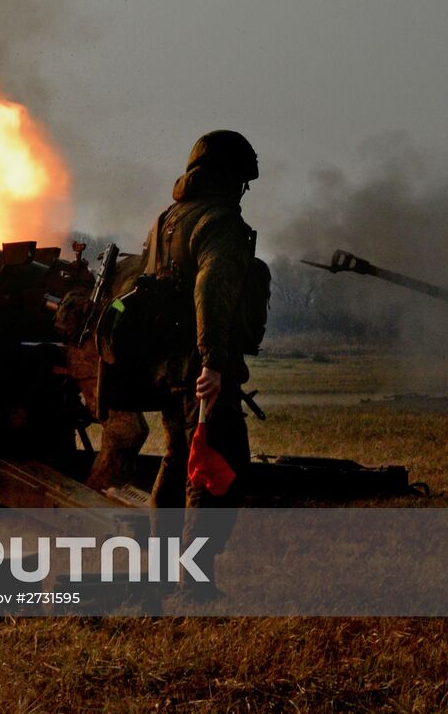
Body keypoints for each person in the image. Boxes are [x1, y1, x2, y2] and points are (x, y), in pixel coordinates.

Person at [144, 130, 260, 601]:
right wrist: (213, 364)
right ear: (230, 177)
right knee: (217, 470)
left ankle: (158, 571)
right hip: (201, 366)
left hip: (169, 366)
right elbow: (210, 289)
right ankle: (194, 583)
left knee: (177, 460)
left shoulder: (168, 220)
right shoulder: (219, 222)